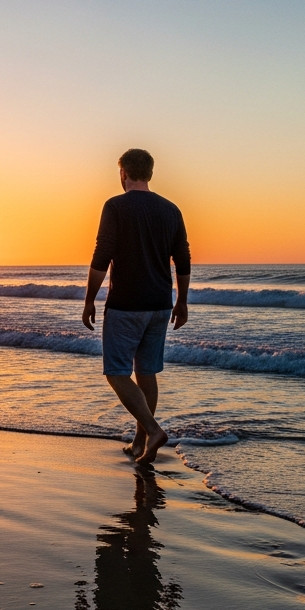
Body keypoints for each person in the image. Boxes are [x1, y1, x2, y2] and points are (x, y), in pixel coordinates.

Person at [82, 148, 190, 465]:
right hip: (160, 305)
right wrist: (181, 301)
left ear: (123, 173)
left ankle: (153, 431)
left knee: (116, 372)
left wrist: (89, 299)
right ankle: (140, 441)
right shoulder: (171, 210)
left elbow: (102, 256)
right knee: (146, 372)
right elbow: (182, 260)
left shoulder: (115, 206)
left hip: (126, 305)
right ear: (150, 174)